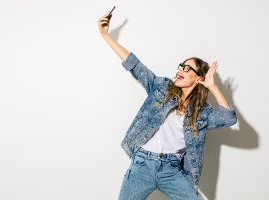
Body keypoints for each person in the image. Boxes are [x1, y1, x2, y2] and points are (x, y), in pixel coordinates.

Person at [97, 11, 237, 200]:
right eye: (181, 66)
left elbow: (229, 118)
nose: (180, 69)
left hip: (172, 171)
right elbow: (134, 65)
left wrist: (213, 86)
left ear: (199, 78)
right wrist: (106, 35)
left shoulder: (202, 112)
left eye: (187, 68)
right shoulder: (161, 87)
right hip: (142, 166)